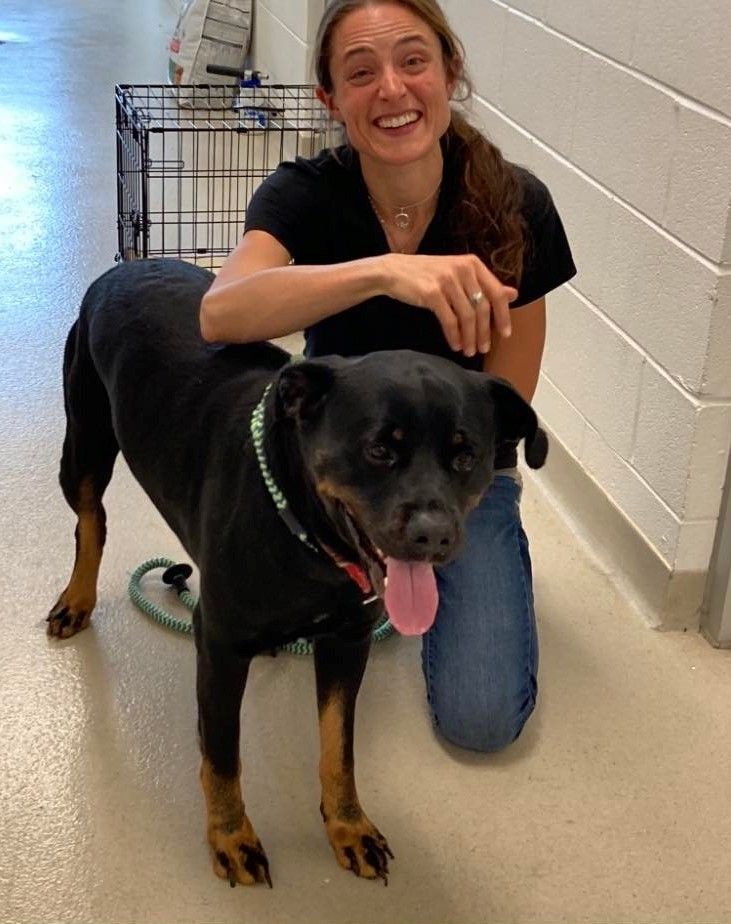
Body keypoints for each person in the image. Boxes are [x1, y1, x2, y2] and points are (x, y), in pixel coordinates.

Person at [200, 0, 576, 753]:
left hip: (458, 471)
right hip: (348, 458)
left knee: (481, 722)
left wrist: (450, 507)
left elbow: (509, 402)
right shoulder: (304, 193)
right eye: (360, 72)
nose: (393, 90)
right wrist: (380, 273)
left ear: (449, 72)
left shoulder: (517, 202)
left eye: (413, 61)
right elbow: (221, 314)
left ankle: (394, 580)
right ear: (329, 100)